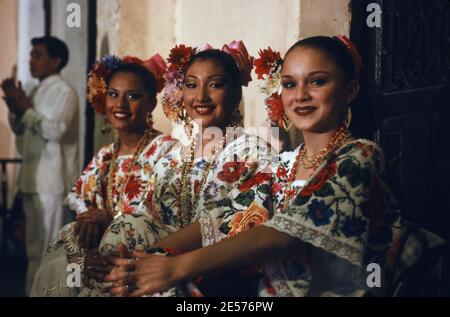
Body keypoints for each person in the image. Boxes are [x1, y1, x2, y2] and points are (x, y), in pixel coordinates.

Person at [104, 36, 402, 297]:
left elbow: (282, 235)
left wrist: (175, 268)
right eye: (289, 84)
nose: (300, 95)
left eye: (318, 81)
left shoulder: (360, 156)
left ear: (349, 91)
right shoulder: (283, 165)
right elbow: (223, 220)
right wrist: (149, 258)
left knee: (169, 284)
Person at [81, 42, 277, 297]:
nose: (201, 96)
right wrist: (110, 255)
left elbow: (243, 222)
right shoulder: (173, 157)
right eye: (192, 85)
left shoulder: (254, 152)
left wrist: (154, 256)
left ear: (236, 94)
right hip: (157, 263)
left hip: (218, 273)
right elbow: (146, 216)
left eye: (215, 84)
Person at [30, 54, 174, 296]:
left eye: (133, 96)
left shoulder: (167, 151)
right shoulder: (104, 156)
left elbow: (168, 222)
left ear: (152, 103)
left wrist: (113, 223)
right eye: (114, 94)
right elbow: (84, 214)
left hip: (143, 259)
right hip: (99, 256)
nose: (120, 104)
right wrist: (90, 232)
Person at [1, 36, 79, 294]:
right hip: (32, 179)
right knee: (34, 251)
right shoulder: (35, 90)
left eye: (38, 55)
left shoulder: (65, 91)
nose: (31, 60)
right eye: (31, 54)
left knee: (51, 250)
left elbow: (55, 131)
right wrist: (15, 108)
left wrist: (25, 108)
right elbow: (21, 131)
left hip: (52, 183)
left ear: (56, 61)